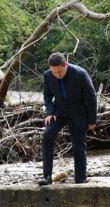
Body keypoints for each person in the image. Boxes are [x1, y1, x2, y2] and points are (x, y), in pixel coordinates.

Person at [39, 52, 98, 185]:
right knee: (47, 135)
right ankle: (47, 176)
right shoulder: (48, 75)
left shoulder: (80, 73)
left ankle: (80, 179)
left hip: (78, 113)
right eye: (54, 72)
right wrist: (49, 112)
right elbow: (47, 96)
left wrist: (92, 120)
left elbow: (91, 96)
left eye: (60, 71)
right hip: (58, 112)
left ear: (66, 64)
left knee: (78, 145)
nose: (57, 75)